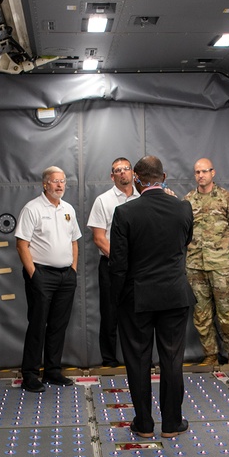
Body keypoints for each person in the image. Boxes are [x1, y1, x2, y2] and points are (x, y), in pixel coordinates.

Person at [110, 156, 195, 439]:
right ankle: (172, 423)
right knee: (172, 360)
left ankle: (144, 424)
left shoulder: (125, 213)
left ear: (136, 178)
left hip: (137, 297)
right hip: (174, 294)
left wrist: (117, 300)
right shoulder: (183, 208)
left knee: (138, 360)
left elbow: (118, 264)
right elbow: (184, 243)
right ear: (164, 176)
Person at [15, 166, 82, 393]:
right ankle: (30, 375)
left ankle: (52, 371)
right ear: (45, 184)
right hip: (41, 274)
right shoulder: (32, 208)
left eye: (63, 181)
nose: (60, 185)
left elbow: (74, 241)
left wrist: (72, 270)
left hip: (65, 276)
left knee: (58, 325)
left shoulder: (68, 209)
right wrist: (34, 274)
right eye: (55, 181)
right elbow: (22, 244)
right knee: (38, 324)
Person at [184, 158, 229, 365]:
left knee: (227, 312)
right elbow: (183, 232)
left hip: (220, 266)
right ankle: (210, 354)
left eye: (204, 171)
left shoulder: (228, 200)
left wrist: (221, 252)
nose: (201, 175)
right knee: (201, 314)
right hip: (195, 266)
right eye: (197, 172)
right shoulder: (188, 201)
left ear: (213, 172)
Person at [86, 157, 139, 366]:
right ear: (112, 176)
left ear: (133, 173)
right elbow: (99, 238)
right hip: (111, 266)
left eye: (126, 169)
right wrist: (120, 260)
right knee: (110, 313)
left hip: (139, 266)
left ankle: (137, 358)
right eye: (118, 170)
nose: (123, 173)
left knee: (138, 313)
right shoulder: (103, 201)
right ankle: (109, 359)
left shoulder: (142, 198)